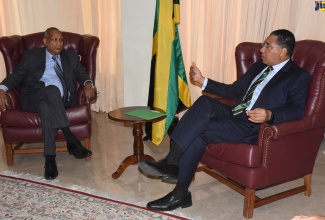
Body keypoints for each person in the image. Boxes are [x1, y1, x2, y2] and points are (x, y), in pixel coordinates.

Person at [138, 29, 311, 211]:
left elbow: (297, 109)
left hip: (253, 126)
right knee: (205, 101)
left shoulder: (298, 76)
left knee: (201, 132)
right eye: (263, 45)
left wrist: (270, 114)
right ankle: (172, 162)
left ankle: (179, 194)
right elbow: (234, 91)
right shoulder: (259, 67)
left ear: (283, 51)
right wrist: (202, 80)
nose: (262, 49)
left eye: (267, 46)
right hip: (236, 112)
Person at [0, 27, 95, 180]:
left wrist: (89, 83)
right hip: (32, 97)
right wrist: (2, 89)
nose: (59, 43)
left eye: (61, 40)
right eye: (54, 39)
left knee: (46, 107)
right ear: (45, 41)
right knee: (51, 90)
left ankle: (50, 159)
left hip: (60, 102)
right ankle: (70, 139)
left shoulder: (70, 56)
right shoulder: (31, 56)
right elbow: (16, 76)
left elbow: (83, 74)